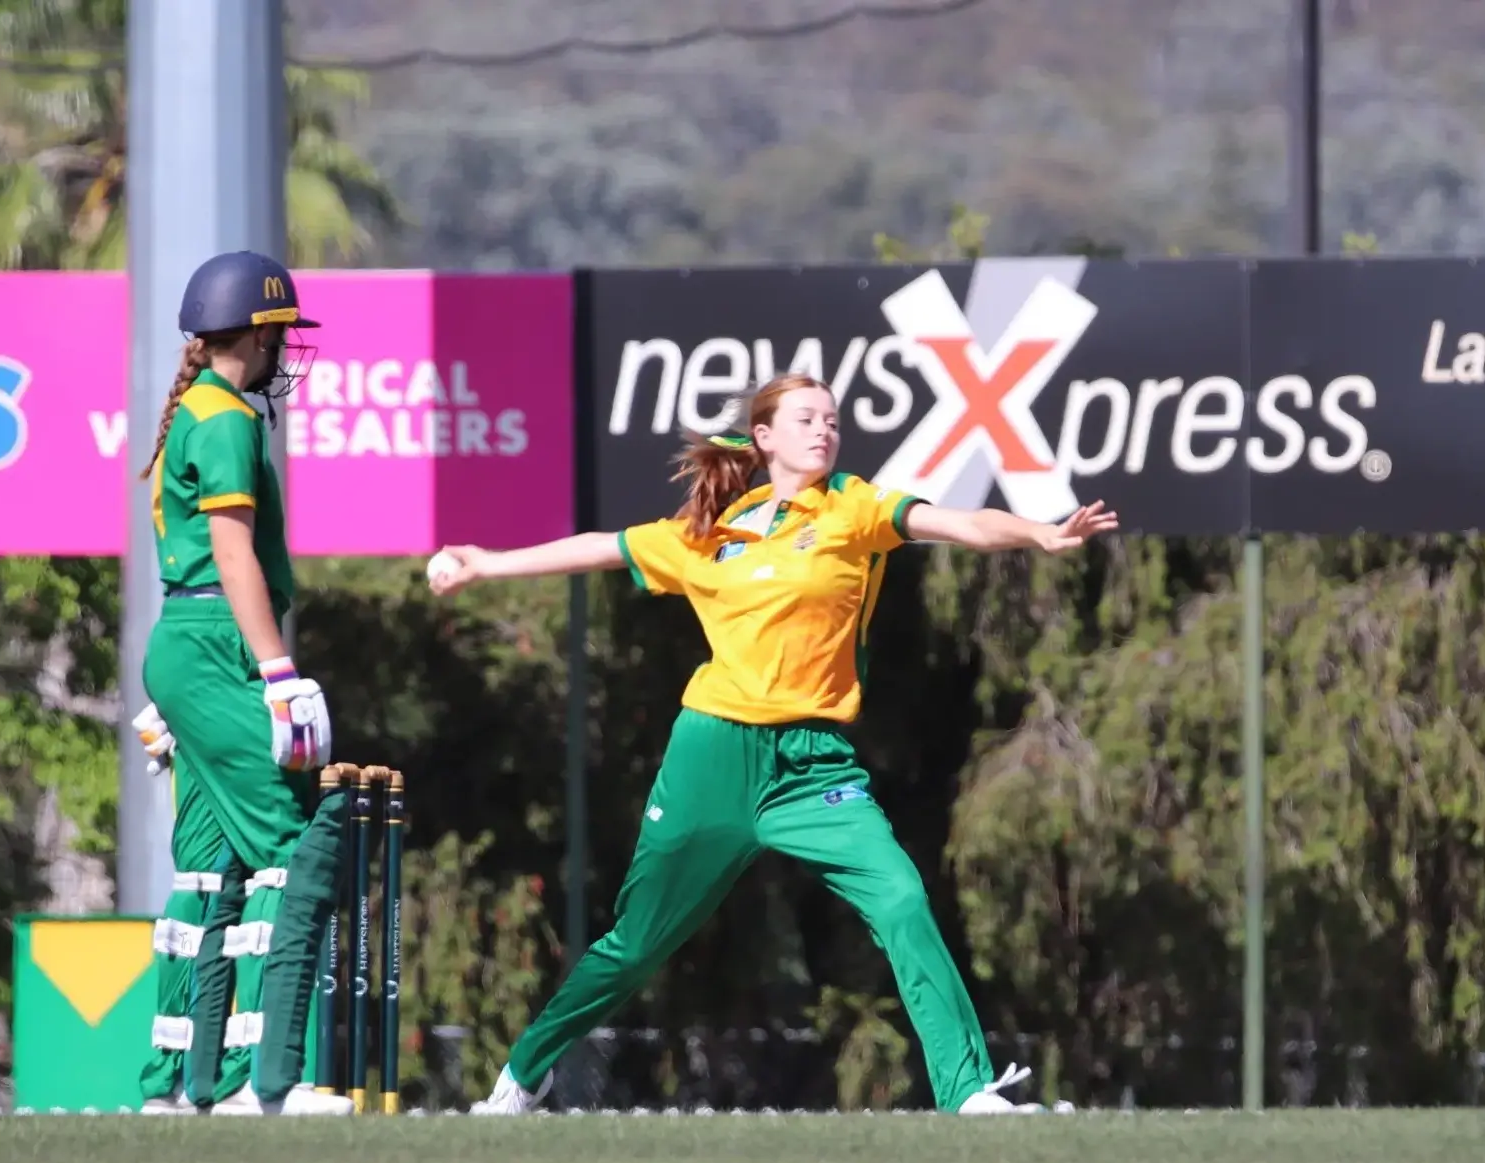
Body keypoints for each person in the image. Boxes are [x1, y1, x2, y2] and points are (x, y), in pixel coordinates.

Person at [428, 371, 1120, 1115]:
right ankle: (524, 1074)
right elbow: (604, 546)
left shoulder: (852, 507)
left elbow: (959, 523)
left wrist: (1036, 532)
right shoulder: (712, 530)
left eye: (831, 419)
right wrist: (485, 562)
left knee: (901, 899)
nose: (824, 429)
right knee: (636, 946)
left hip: (812, 764)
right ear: (764, 439)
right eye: (805, 419)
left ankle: (968, 1092)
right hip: (711, 758)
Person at [133, 250, 353, 1117]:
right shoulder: (225, 417)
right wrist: (278, 672)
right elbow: (230, 555)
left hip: (186, 643)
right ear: (254, 334)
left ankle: (180, 1084)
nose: (283, 351)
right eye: (279, 333)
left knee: (209, 869)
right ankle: (271, 1080)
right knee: (288, 851)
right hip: (217, 643)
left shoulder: (196, 408)